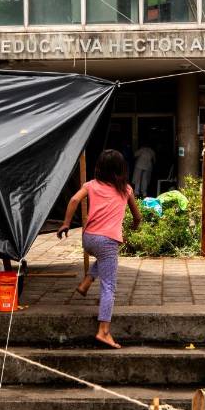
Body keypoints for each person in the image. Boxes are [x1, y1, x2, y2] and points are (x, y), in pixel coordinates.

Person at [57, 149, 141, 349]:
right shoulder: (126, 190)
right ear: (122, 170)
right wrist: (135, 225)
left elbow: (74, 200)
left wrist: (66, 223)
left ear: (99, 168)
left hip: (89, 239)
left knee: (106, 257)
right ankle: (103, 331)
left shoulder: (90, 185)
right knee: (109, 286)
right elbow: (137, 216)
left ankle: (86, 283)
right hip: (108, 240)